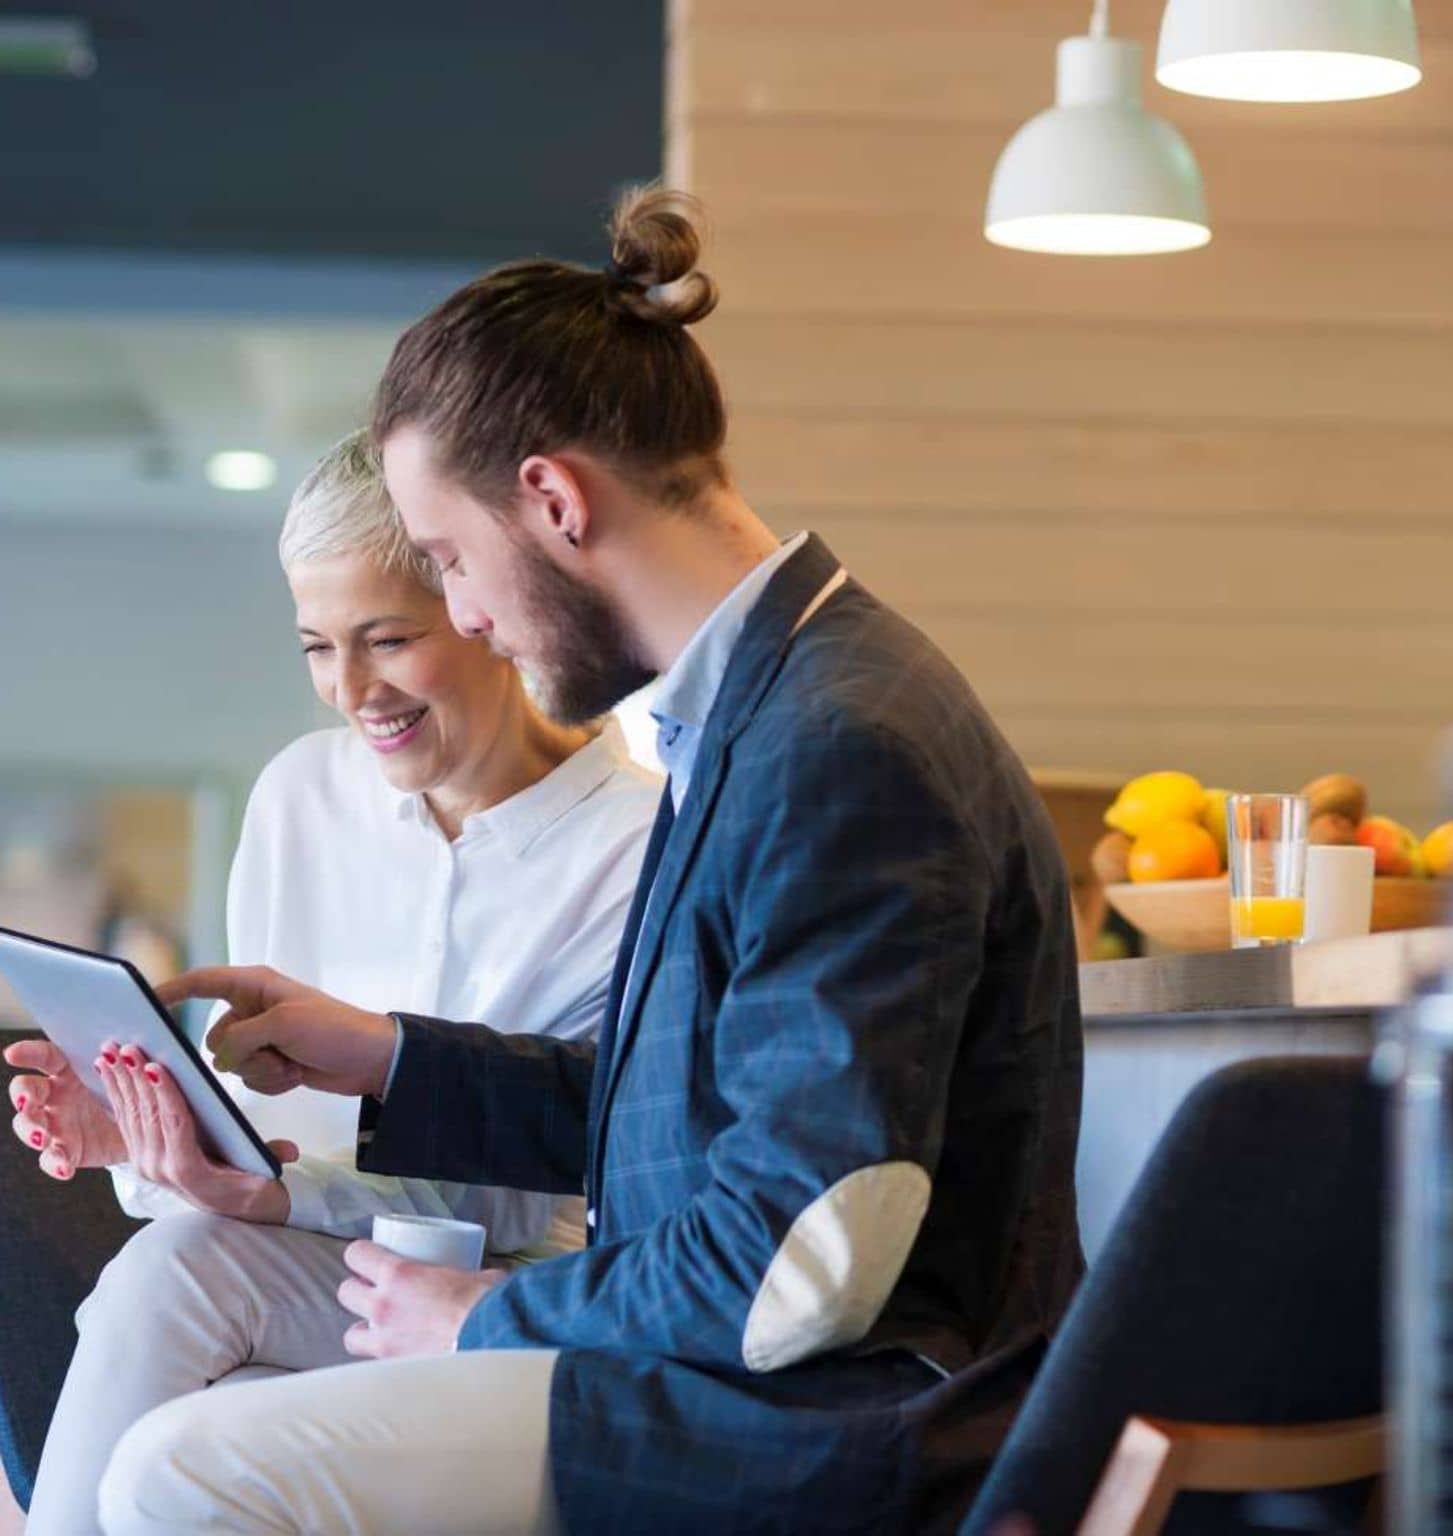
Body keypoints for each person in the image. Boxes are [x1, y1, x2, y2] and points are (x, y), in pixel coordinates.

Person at [95, 186, 1085, 1536]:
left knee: (187, 1472)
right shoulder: (770, 700)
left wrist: (497, 1314)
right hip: (730, 1369)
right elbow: (667, 1118)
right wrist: (389, 1057)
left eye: (448, 560)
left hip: (822, 1421)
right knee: (184, 1281)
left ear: (551, 500)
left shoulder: (838, 742)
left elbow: (807, 1255)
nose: (465, 616)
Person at [5, 432, 659, 1534]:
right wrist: (147, 1136)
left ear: (482, 603)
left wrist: (269, 1194)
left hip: (495, 1313)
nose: (351, 691)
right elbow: (254, 1144)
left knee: (186, 1350)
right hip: (282, 1274)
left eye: (387, 639)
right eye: (317, 647)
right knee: (185, 1300)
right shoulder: (301, 797)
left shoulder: (636, 850)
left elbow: (518, 1201)